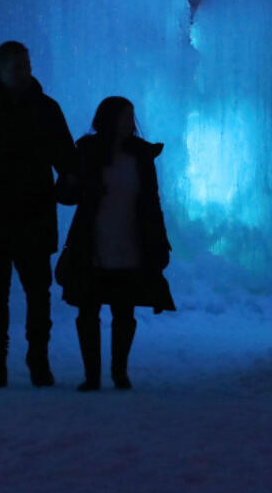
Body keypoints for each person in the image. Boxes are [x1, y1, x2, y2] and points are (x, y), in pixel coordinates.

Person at [0, 41, 77, 389]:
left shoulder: (45, 109)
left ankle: (37, 363)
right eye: (18, 67)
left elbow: (65, 158)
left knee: (36, 295)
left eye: (27, 65)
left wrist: (68, 185)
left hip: (31, 217)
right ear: (0, 70)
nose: (25, 72)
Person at [56, 96, 175, 391]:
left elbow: (151, 201)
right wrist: (72, 181)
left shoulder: (141, 155)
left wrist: (159, 240)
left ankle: (119, 372)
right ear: (109, 119)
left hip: (129, 240)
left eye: (131, 116)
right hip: (93, 239)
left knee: (124, 309)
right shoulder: (88, 151)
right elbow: (67, 195)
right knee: (89, 309)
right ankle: (93, 375)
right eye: (124, 116)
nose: (129, 122)